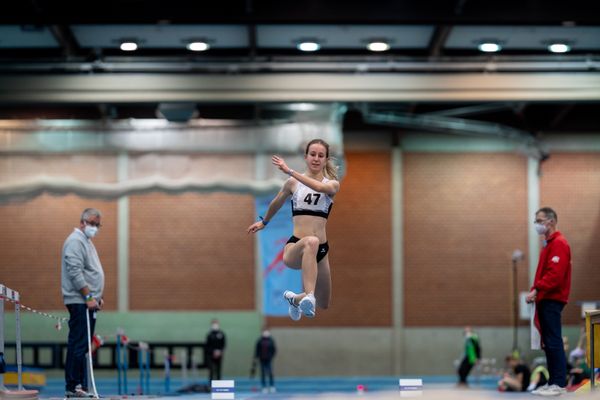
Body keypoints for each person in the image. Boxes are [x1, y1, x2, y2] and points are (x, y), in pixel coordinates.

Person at [247, 139, 340, 320]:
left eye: (321, 155)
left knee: (324, 303)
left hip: (321, 250)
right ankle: (309, 295)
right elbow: (276, 202)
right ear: (306, 157)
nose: (316, 158)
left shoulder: (332, 184)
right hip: (296, 247)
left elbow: (319, 187)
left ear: (326, 159)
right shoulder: (292, 184)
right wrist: (264, 222)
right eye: (312, 154)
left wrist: (290, 171)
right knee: (311, 241)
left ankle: (296, 300)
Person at [526, 207, 572, 397]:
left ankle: (559, 383)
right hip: (545, 298)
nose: (536, 224)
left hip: (552, 298)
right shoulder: (548, 244)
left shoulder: (559, 243)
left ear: (550, 221)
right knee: (548, 342)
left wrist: (537, 289)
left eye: (539, 220)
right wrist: (536, 292)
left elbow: (554, 275)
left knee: (553, 341)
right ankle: (552, 381)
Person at [61, 208, 105, 398]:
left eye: (97, 225)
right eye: (92, 224)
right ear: (82, 223)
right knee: (78, 344)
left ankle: (81, 386)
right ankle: (74, 386)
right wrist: (88, 297)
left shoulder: (86, 242)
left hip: (88, 301)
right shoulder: (75, 241)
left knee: (84, 345)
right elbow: (74, 272)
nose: (94, 228)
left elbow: (90, 272)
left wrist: (96, 296)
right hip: (80, 301)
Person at [254, 328, 277, 393]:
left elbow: (274, 349)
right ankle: (264, 387)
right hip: (262, 359)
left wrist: (271, 356)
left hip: (269, 359)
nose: (265, 333)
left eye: (267, 332)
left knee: (270, 373)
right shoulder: (259, 341)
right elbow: (257, 350)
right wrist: (256, 358)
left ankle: (272, 386)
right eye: (264, 332)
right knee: (263, 373)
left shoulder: (271, 340)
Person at [206, 318, 226, 383]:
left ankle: (218, 385)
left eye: (216, 323)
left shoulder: (222, 334)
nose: (215, 325)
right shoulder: (209, 334)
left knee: (218, 370)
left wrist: (219, 352)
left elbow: (223, 344)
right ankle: (210, 385)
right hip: (211, 355)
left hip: (219, 355)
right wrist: (213, 352)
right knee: (211, 370)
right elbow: (207, 345)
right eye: (214, 323)